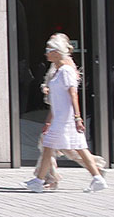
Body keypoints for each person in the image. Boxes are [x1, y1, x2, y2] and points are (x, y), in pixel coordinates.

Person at [27, 33, 107, 193]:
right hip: (61, 118)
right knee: (71, 148)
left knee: (60, 147)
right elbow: (57, 98)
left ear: (57, 52)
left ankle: (39, 180)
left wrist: (77, 117)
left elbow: (73, 94)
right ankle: (97, 178)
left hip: (65, 119)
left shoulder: (66, 71)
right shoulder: (57, 71)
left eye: (49, 49)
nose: (46, 53)